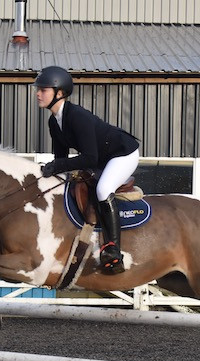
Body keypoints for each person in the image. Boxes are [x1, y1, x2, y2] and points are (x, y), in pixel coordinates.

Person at [34, 66, 139, 273]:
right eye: (38, 89)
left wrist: (57, 166)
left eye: (43, 90)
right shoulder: (54, 122)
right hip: (101, 159)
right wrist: (50, 171)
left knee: (103, 189)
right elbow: (61, 159)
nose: (38, 93)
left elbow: (89, 157)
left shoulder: (77, 116)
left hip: (122, 154)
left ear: (60, 93)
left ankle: (114, 250)